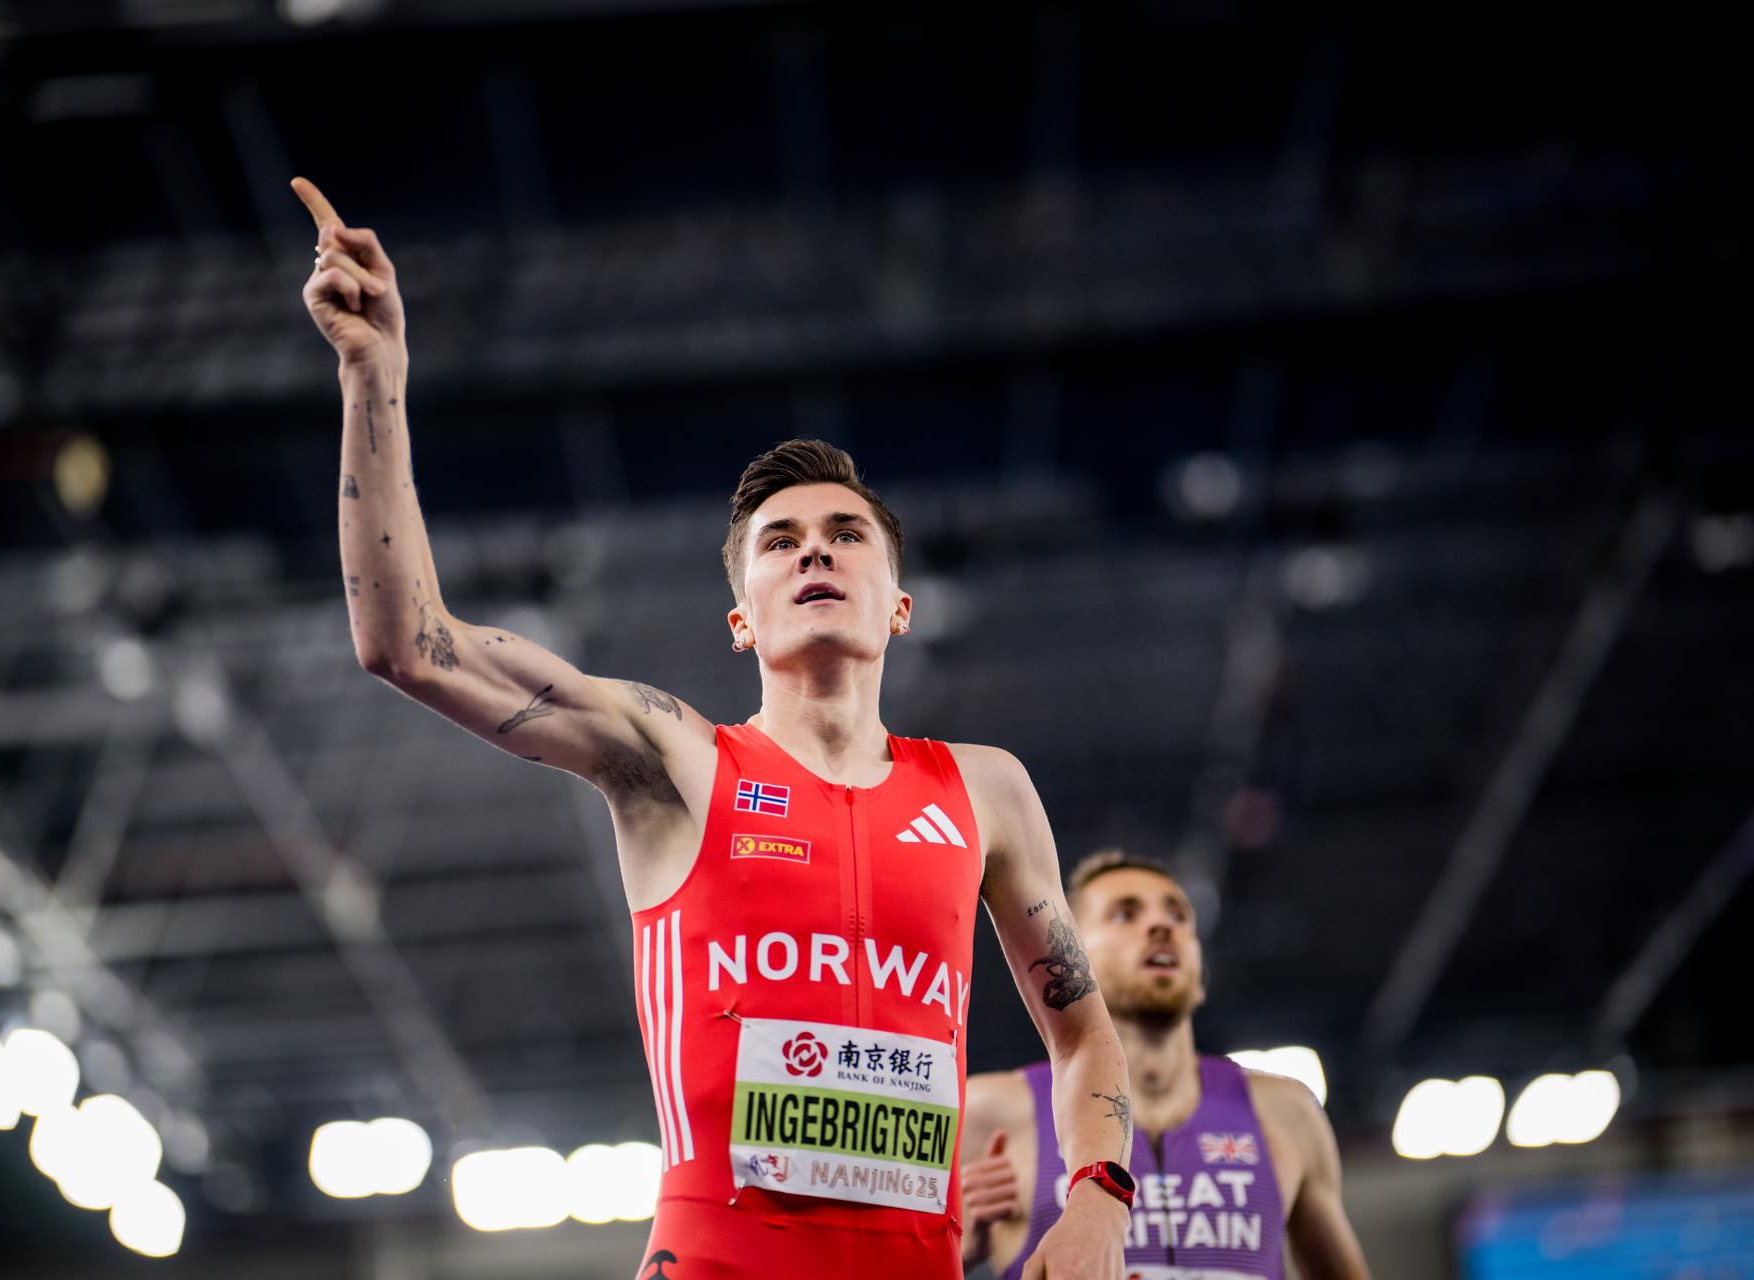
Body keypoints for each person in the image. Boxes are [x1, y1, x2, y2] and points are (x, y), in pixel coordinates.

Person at [292, 176, 1134, 1279]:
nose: (815, 552)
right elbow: (407, 640)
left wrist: (1099, 1199)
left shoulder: (985, 790)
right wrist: (373, 375)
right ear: (741, 619)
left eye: (845, 536)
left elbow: (1084, 1030)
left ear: (900, 604)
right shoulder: (678, 758)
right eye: (781, 542)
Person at [960, 852, 1371, 1279]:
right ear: (1071, 952)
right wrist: (959, 1255)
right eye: (1125, 914)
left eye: (1178, 916)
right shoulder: (991, 1113)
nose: (1162, 926)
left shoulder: (1288, 1112)